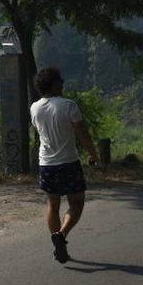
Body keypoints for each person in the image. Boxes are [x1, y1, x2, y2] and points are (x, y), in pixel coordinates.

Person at [30, 67, 99, 263]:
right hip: (68, 162)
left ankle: (57, 241)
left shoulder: (34, 108)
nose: (63, 83)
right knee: (77, 203)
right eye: (60, 81)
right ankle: (61, 235)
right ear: (53, 84)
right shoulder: (69, 105)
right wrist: (94, 154)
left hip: (46, 163)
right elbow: (82, 134)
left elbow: (38, 129)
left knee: (53, 204)